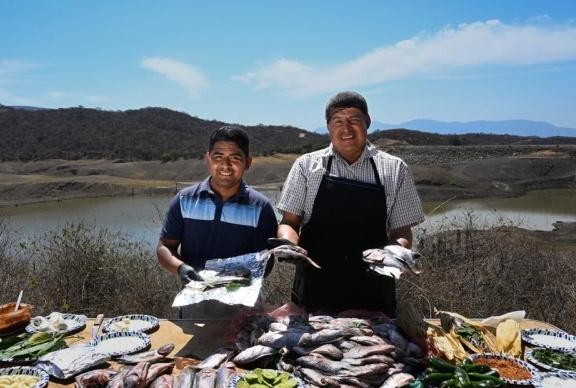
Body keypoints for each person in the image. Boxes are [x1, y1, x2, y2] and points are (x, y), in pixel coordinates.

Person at [275, 91, 425, 317]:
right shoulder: (306, 166)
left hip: (374, 293)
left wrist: (392, 254)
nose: (346, 128)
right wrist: (289, 245)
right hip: (314, 291)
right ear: (328, 126)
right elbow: (289, 222)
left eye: (354, 120)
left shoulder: (395, 169)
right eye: (338, 121)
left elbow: (402, 231)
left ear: (367, 122)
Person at [157, 125, 278, 319]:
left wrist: (251, 275)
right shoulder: (184, 200)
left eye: (235, 158)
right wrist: (180, 268)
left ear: (247, 162)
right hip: (194, 308)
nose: (225, 165)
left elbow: (267, 259)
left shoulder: (260, 207)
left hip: (244, 311)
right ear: (207, 159)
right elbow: (165, 247)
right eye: (218, 157)